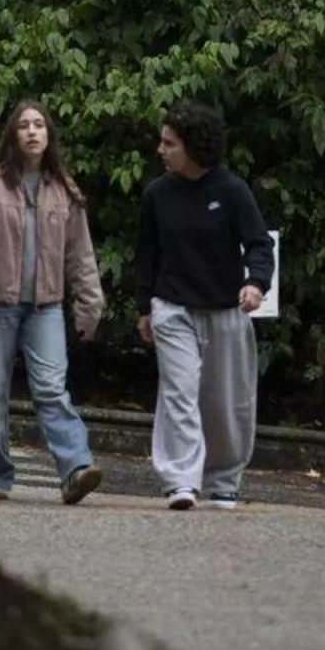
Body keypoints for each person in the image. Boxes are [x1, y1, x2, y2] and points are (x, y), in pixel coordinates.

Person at [0, 101, 107, 504]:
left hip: (47, 308)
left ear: (49, 135)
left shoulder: (65, 193)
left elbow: (81, 256)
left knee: (52, 388)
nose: (32, 131)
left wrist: (90, 307)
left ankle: (76, 467)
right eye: (24, 125)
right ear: (12, 135)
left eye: (40, 124)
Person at [135, 101, 274, 511]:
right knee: (179, 392)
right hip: (172, 308)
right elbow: (147, 256)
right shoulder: (156, 194)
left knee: (225, 399)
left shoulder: (232, 191)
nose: (161, 150)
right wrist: (145, 307)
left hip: (225, 310)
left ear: (194, 146)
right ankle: (181, 480)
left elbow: (259, 244)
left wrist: (255, 283)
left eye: (169, 143)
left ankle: (224, 479)